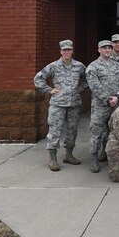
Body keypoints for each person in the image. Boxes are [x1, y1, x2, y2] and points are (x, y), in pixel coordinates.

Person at [34, 39, 88, 171]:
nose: (67, 52)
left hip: (74, 104)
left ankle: (69, 155)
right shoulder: (53, 66)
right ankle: (52, 158)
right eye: (64, 50)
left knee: (72, 131)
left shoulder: (79, 66)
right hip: (58, 104)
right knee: (55, 131)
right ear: (61, 51)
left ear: (72, 51)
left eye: (69, 50)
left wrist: (79, 90)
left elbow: (88, 79)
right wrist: (49, 90)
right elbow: (38, 79)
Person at [86, 40, 119, 173]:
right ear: (99, 50)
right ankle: (94, 159)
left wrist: (118, 96)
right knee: (96, 132)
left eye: (109, 47)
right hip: (100, 105)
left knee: (114, 131)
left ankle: (111, 156)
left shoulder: (117, 66)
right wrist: (108, 98)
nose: (108, 50)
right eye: (104, 48)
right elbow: (94, 86)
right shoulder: (93, 67)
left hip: (116, 103)